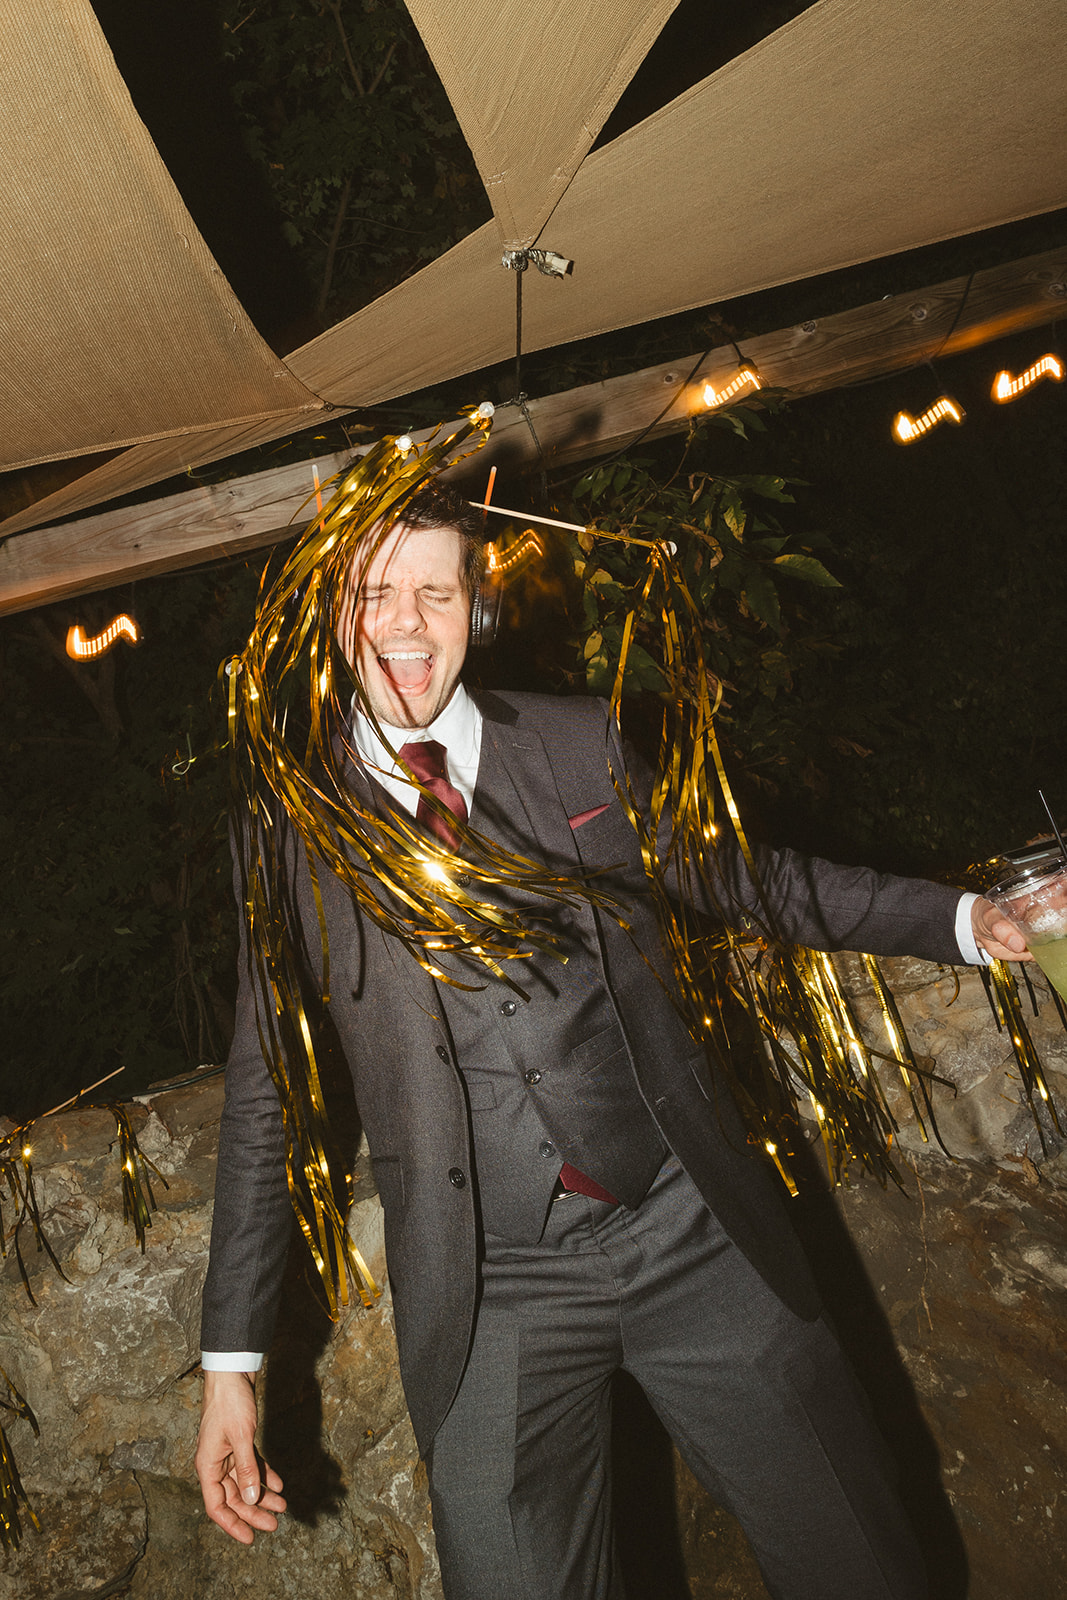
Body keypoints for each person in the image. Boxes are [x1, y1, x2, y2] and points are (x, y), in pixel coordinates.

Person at [195, 482, 1026, 1600]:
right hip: (489, 1286)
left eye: (434, 591)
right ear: (330, 617)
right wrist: (231, 1367)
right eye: (374, 592)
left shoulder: (578, 744)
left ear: (472, 611)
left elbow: (741, 880)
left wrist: (966, 921)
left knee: (856, 1557)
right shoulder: (287, 831)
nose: (405, 621)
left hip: (689, 1228)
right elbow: (267, 1100)